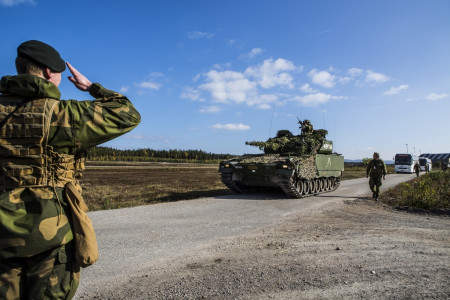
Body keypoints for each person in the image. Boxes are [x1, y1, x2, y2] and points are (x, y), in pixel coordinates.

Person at [0, 40, 141, 299]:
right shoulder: (62, 115)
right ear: (47, 73)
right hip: (51, 238)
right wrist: (92, 87)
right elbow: (128, 114)